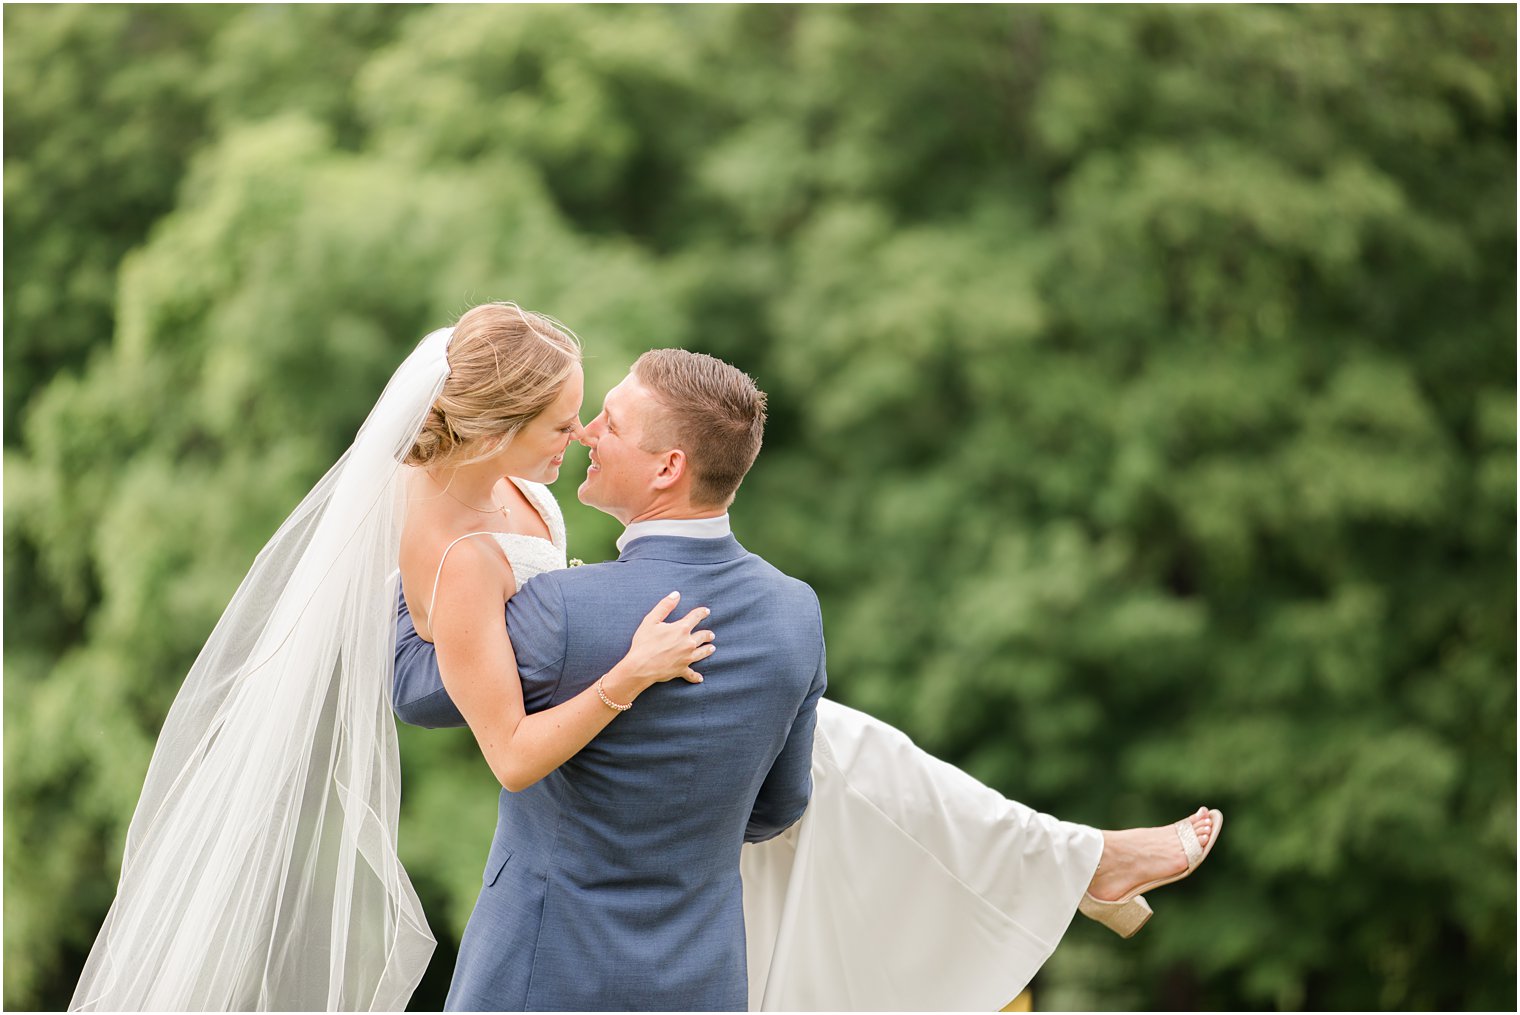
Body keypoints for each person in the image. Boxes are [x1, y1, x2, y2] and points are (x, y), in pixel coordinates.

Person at [390, 312, 1223, 1011]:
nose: (583, 435)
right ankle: (1077, 862)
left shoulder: (552, 600)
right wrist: (670, 739)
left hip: (547, 962)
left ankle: (1076, 862)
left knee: (859, 755)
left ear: (669, 466)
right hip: (700, 966)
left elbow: (447, 684)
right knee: (857, 754)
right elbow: (779, 803)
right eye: (572, 419)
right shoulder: (792, 612)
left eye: (604, 419)